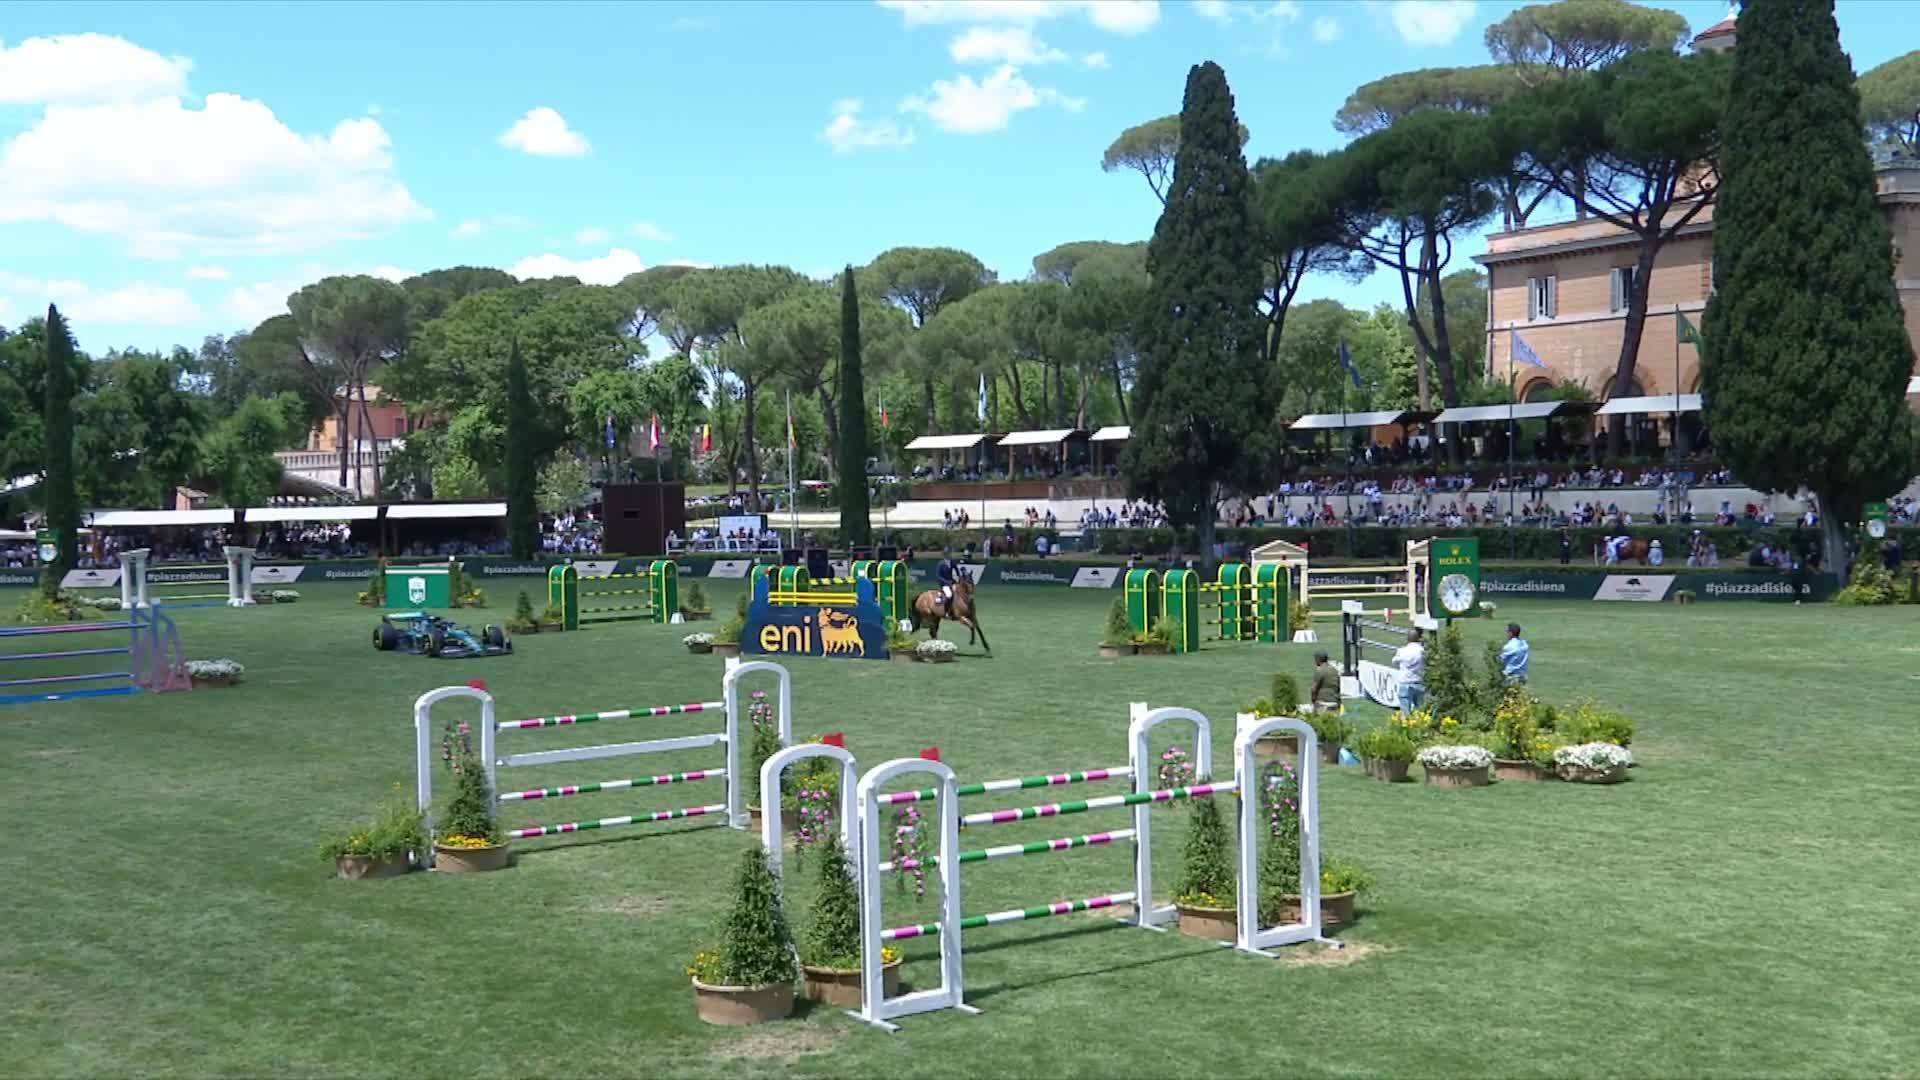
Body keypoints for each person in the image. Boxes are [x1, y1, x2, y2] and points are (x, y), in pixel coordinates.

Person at [1392, 628, 1426, 712]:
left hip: (1405, 682)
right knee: (1420, 710)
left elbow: (1394, 661)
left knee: (1405, 711)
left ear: (1408, 639)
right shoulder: (1422, 651)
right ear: (1418, 638)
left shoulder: (1402, 651)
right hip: (1419, 682)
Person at [935, 549, 960, 616]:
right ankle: (946, 611)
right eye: (947, 554)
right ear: (945, 555)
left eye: (949, 553)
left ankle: (958, 609)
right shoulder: (940, 564)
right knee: (949, 595)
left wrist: (958, 577)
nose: (949, 555)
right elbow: (938, 576)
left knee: (959, 592)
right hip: (944, 584)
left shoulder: (952, 562)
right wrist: (946, 582)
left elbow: (956, 570)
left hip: (952, 582)